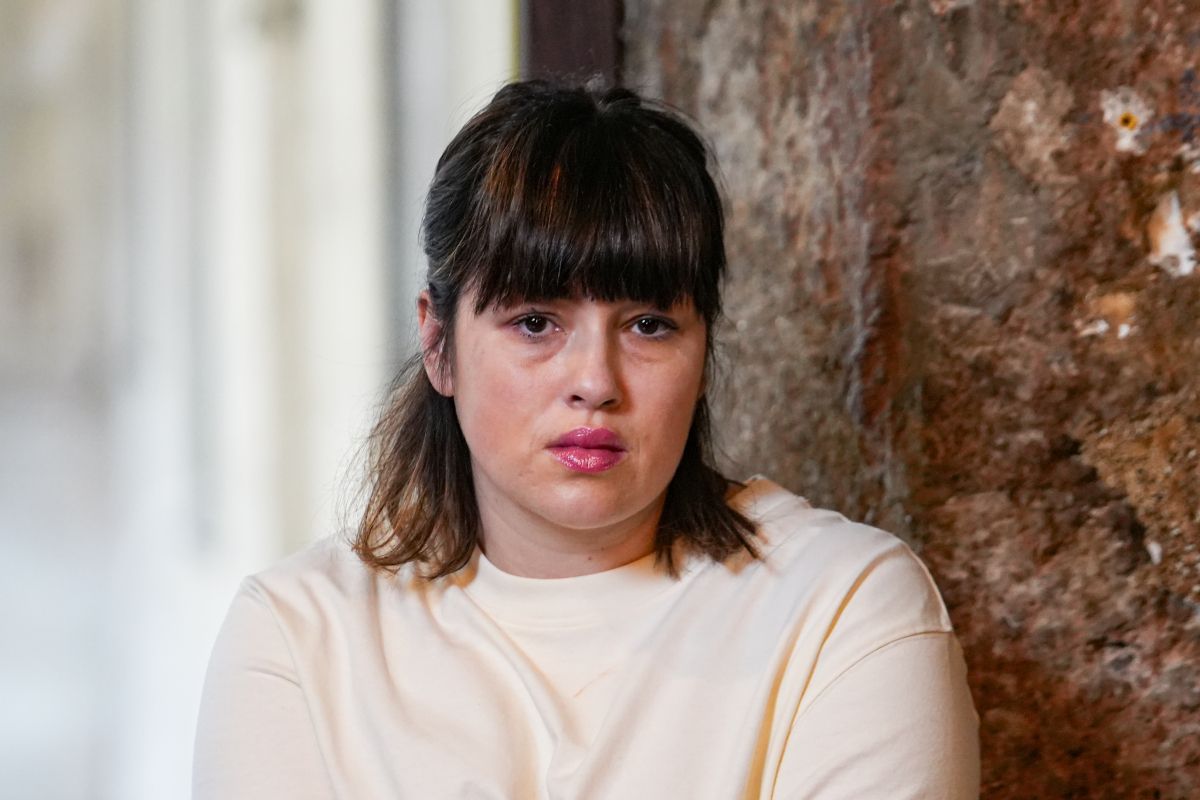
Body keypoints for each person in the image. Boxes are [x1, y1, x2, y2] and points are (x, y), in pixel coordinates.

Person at [193, 79, 980, 799]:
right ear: (439, 344)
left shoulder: (844, 609)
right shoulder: (300, 637)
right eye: (536, 322)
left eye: (649, 325)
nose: (595, 381)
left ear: (703, 350)